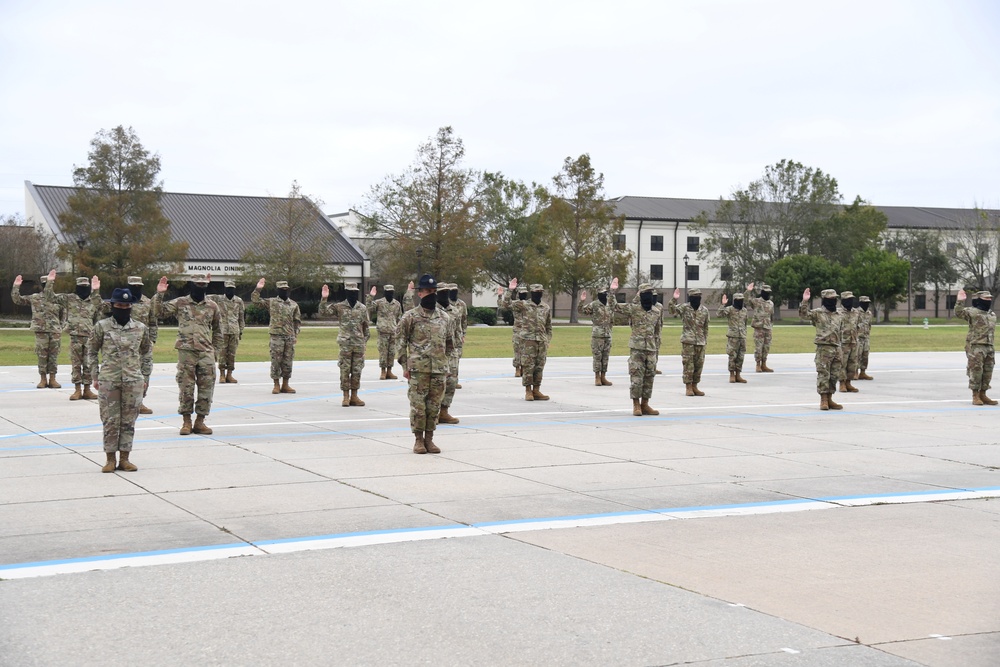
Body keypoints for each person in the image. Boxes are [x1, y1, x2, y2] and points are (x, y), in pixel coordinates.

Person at [89, 287, 153, 473]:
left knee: (128, 421)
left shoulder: (140, 328)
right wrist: (94, 375)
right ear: (112, 306)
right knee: (110, 420)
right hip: (109, 380)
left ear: (131, 306)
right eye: (119, 305)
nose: (123, 308)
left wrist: (145, 377)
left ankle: (125, 458)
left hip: (133, 380)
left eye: (126, 305)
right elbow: (91, 351)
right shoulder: (102, 326)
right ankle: (110, 459)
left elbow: (147, 353)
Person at [153, 273, 223, 435]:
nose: (200, 287)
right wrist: (160, 294)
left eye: (203, 284)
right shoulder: (181, 302)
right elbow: (159, 312)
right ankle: (186, 421)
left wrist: (216, 352)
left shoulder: (212, 306)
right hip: (186, 352)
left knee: (207, 388)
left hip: (206, 353)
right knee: (186, 387)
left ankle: (200, 421)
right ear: (191, 284)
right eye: (197, 284)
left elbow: (219, 330)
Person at [397, 273, 452, 454]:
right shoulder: (410, 317)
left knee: (434, 407)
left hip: (438, 370)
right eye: (427, 291)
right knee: (418, 407)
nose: (431, 294)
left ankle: (430, 439)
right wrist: (405, 366)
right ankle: (418, 440)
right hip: (418, 370)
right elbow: (400, 343)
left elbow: (450, 344)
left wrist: (446, 366)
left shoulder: (445, 318)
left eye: (434, 291)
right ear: (420, 293)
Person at [48, 275, 102, 400]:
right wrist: (50, 282)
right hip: (75, 337)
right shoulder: (69, 298)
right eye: (81, 287)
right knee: (76, 364)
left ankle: (87, 390)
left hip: (89, 336)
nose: (84, 289)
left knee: (88, 364)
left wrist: (96, 291)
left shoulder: (93, 300)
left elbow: (103, 308)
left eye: (86, 287)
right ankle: (77, 389)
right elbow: (50, 297)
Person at [320, 281, 371, 407]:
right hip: (345, 344)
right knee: (344, 369)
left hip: (358, 344)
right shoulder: (340, 307)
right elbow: (323, 312)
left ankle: (354, 396)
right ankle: (345, 396)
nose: (352, 294)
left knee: (357, 370)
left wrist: (364, 342)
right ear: (346, 293)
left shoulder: (362, 308)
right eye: (350, 292)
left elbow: (366, 328)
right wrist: (324, 299)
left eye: (354, 292)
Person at [11, 270, 64, 389]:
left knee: (54, 355)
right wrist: (16, 286)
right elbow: (17, 300)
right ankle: (43, 379)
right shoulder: (35, 298)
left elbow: (63, 315)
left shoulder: (58, 299)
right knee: (42, 355)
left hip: (54, 331)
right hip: (41, 331)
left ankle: (53, 379)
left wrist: (60, 326)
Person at [503, 278, 553, 401]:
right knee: (528, 366)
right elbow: (506, 304)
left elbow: (548, 326)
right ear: (532, 293)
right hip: (528, 340)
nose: (538, 294)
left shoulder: (545, 307)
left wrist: (547, 340)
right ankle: (528, 391)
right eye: (536, 292)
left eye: (540, 291)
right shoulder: (524, 305)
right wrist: (510, 290)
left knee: (539, 366)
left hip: (541, 341)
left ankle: (537, 389)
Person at [617, 282, 662, 415]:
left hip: (651, 349)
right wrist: (612, 292)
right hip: (637, 349)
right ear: (640, 295)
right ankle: (636, 405)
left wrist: (656, 346)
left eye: (650, 293)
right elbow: (615, 307)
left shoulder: (656, 311)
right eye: (645, 293)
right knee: (636, 377)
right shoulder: (634, 309)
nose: (648, 296)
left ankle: (645, 404)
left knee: (649, 377)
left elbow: (657, 331)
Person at [252, 279, 301, 394]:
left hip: (289, 336)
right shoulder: (272, 302)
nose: (284, 291)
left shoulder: (293, 304)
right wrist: (258, 289)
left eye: (286, 289)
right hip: (276, 336)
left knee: (288, 361)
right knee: (276, 361)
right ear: (278, 290)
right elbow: (255, 301)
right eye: (282, 289)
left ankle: (285, 384)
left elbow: (297, 321)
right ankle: (276, 384)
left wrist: (295, 334)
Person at [800, 288, 844, 410]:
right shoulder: (818, 313)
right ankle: (823, 399)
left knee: (834, 375)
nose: (833, 301)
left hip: (837, 348)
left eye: (835, 299)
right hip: (824, 348)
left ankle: (830, 398)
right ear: (824, 300)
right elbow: (804, 315)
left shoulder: (839, 314)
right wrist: (805, 301)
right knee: (824, 374)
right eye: (830, 299)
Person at [956, 289, 996, 406]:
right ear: (979, 299)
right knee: (976, 371)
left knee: (988, 371)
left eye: (990, 298)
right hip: (976, 346)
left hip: (989, 346)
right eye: (986, 298)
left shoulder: (991, 314)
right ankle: (975, 395)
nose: (989, 300)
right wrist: (960, 301)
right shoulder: (972, 312)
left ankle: (983, 394)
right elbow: (958, 313)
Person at [668, 287, 710, 396]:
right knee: (688, 365)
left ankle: (695, 386)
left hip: (700, 342)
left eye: (698, 296)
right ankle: (688, 387)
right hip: (688, 341)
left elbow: (705, 327)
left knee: (699, 364)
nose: (697, 299)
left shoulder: (704, 310)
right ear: (690, 297)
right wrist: (674, 299)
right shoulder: (684, 308)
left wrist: (705, 340)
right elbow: (672, 311)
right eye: (694, 297)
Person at [578, 277, 619, 386]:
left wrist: (612, 291)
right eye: (602, 293)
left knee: (605, 357)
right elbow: (581, 311)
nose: (604, 295)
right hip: (597, 335)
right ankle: (597, 377)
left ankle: (603, 376)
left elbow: (615, 305)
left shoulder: (610, 304)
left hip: (608, 334)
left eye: (605, 293)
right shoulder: (594, 304)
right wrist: (582, 302)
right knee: (597, 357)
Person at [208, 280, 245, 383]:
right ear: (225, 289)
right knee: (222, 353)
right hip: (222, 330)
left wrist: (241, 330)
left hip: (234, 330)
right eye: (228, 289)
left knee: (232, 353)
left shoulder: (238, 301)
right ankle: (222, 374)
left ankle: (230, 374)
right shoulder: (218, 299)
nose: (230, 291)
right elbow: (204, 296)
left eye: (232, 289)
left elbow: (241, 317)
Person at [436, 283, 462, 424]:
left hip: (451, 353)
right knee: (436, 383)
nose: (445, 295)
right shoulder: (432, 310)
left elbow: (457, 331)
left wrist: (457, 350)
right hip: (436, 352)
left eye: (446, 292)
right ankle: (433, 413)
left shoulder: (455, 311)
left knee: (451, 382)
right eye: (441, 293)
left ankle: (444, 411)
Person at [366, 284, 402, 380]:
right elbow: (368, 307)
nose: (390, 294)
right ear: (385, 293)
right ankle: (383, 371)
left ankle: (389, 371)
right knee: (383, 352)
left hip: (393, 331)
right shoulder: (379, 302)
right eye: (388, 292)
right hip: (382, 331)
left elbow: (399, 317)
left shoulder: (397, 304)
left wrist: (399, 329)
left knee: (392, 352)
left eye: (391, 292)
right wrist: (371, 296)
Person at [717, 291, 749, 384]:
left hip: (742, 336)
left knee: (741, 356)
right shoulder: (730, 309)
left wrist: (744, 333)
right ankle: (732, 374)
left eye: (741, 300)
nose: (740, 302)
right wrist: (723, 305)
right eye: (738, 300)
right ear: (734, 300)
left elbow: (745, 323)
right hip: (733, 336)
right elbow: (719, 314)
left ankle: (738, 374)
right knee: (732, 355)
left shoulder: (744, 310)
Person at [497, 284, 529, 377]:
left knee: (526, 351)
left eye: (525, 293)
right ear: (518, 294)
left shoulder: (530, 304)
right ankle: (517, 368)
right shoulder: (515, 304)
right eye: (521, 293)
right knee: (517, 350)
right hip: (518, 330)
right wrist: (507, 292)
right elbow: (503, 305)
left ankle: (524, 368)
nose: (523, 295)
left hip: (528, 331)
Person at [746, 282, 775, 372]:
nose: (767, 294)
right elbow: (746, 300)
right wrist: (748, 291)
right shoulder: (756, 301)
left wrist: (771, 325)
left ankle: (764, 364)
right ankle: (758, 364)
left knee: (766, 347)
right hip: (759, 327)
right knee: (759, 347)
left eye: (769, 292)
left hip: (768, 328)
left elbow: (772, 316)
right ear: (762, 292)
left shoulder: (771, 303)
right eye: (765, 292)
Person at [838, 291, 861, 393]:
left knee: (853, 363)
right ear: (843, 301)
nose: (850, 302)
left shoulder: (856, 312)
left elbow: (858, 326)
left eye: (851, 299)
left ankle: (849, 382)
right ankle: (842, 383)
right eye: (848, 300)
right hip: (843, 342)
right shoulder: (837, 312)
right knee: (842, 363)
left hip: (854, 341)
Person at [448, 284, 468, 388]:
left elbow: (464, 320)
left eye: (455, 291)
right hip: (448, 335)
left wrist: (463, 334)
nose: (454, 293)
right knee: (447, 358)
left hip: (458, 336)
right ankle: (447, 379)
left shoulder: (462, 304)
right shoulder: (444, 304)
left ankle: (454, 380)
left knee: (457, 358)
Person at [856, 296, 874, 380]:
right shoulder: (856, 312)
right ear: (860, 303)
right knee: (856, 355)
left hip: (866, 337)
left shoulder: (869, 313)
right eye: (865, 303)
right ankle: (855, 372)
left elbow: (869, 325)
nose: (866, 304)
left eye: (868, 303)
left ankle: (863, 372)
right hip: (857, 337)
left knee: (865, 355)